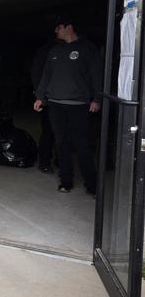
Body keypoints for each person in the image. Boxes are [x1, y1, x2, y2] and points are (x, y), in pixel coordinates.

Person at [33, 17, 102, 196]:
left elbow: (96, 76)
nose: (56, 31)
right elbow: (46, 77)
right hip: (56, 105)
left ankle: (92, 185)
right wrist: (40, 97)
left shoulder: (87, 49)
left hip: (79, 106)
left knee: (82, 145)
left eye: (59, 27)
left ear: (69, 27)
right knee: (61, 143)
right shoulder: (55, 51)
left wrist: (97, 98)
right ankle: (66, 182)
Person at [31, 39, 57, 172]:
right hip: (48, 99)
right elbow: (39, 75)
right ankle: (45, 162)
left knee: (54, 132)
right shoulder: (49, 51)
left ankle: (50, 161)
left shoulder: (48, 50)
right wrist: (40, 97)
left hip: (55, 98)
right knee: (49, 131)